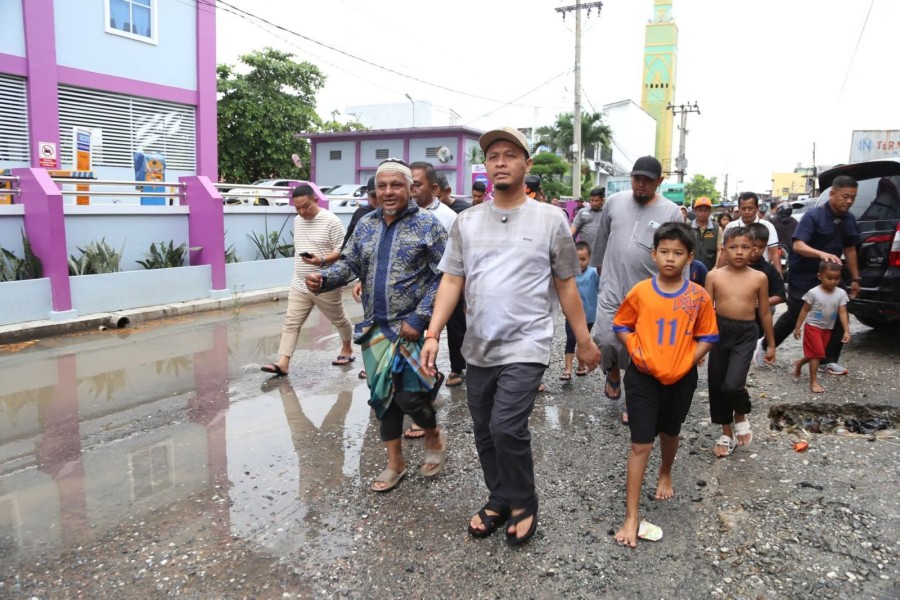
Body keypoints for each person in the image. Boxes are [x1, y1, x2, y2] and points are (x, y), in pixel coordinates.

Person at [421, 126, 600, 545]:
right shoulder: (466, 221)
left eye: (509, 155)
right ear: (486, 167)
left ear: (526, 164)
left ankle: (523, 501)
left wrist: (584, 339)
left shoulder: (552, 219)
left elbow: (566, 283)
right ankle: (499, 495)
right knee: (483, 429)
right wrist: (432, 333)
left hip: (528, 341)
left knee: (506, 426)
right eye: (493, 156)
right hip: (480, 344)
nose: (500, 162)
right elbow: (451, 280)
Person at [306, 159, 448, 493]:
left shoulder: (429, 225)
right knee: (382, 398)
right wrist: (323, 279)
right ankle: (395, 463)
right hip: (376, 330)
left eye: (396, 185)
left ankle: (432, 433)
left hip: (411, 328)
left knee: (411, 400)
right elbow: (350, 264)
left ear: (410, 188)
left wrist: (419, 318)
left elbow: (447, 276)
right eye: (381, 186)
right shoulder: (366, 224)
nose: (388, 192)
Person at [612, 222, 718, 547]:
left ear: (689, 257)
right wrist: (634, 350)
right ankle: (632, 516)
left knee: (670, 432)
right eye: (665, 252)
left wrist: (688, 360)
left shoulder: (697, 297)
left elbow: (708, 336)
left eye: (678, 253)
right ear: (653, 254)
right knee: (639, 443)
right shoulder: (641, 291)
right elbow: (622, 325)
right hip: (643, 377)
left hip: (681, 379)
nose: (670, 259)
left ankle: (666, 471)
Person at [590, 155, 683, 424]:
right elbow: (603, 237)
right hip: (612, 285)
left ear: (660, 182)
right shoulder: (614, 202)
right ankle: (613, 370)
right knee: (605, 338)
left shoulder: (671, 212)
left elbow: (680, 252)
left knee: (641, 349)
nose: (640, 185)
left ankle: (634, 397)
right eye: (636, 178)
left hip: (649, 293)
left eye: (647, 180)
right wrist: (598, 268)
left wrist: (679, 292)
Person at [755, 176, 861, 374]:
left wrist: (856, 278)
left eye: (853, 197)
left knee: (840, 312)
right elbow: (798, 245)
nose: (849, 201)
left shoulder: (849, 220)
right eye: (845, 196)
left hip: (831, 277)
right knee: (796, 313)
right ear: (832, 194)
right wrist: (821, 253)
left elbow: (850, 250)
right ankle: (765, 346)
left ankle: (827, 361)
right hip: (804, 275)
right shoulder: (813, 216)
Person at [260, 185, 355, 377]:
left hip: (325, 283)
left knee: (338, 319)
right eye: (297, 208)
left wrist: (321, 261)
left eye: (305, 207)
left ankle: (347, 348)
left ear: (316, 201)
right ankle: (283, 362)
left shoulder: (331, 221)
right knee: (291, 322)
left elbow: (342, 251)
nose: (302, 212)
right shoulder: (297, 221)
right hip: (299, 283)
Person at [705, 226, 776, 458]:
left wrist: (772, 344)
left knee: (733, 384)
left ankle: (741, 414)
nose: (739, 252)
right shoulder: (714, 276)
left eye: (745, 247)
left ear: (754, 250)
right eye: (733, 247)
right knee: (716, 384)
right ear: (724, 248)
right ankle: (726, 433)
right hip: (719, 331)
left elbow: (765, 312)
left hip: (746, 333)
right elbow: (705, 312)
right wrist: (699, 345)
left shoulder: (759, 277)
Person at [793, 262, 851, 393]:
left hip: (827, 329)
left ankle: (800, 362)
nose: (833, 282)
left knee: (817, 354)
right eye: (829, 278)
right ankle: (813, 382)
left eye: (836, 278)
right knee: (817, 354)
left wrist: (846, 330)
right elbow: (804, 310)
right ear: (820, 276)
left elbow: (842, 312)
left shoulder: (841, 293)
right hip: (813, 327)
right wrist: (797, 327)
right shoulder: (813, 293)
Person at [560, 241, 600, 380]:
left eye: (583, 259)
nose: (580, 263)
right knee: (571, 339)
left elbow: (602, 286)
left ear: (590, 258)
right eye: (577, 259)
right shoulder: (570, 274)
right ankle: (568, 369)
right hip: (571, 316)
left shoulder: (594, 273)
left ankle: (581, 365)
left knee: (584, 339)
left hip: (589, 316)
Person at [719, 192, 781, 275]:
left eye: (750, 208)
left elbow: (774, 253)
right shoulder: (731, 226)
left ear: (757, 208)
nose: (747, 212)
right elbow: (724, 253)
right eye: (743, 208)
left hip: (761, 270)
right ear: (739, 209)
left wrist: (779, 275)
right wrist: (718, 273)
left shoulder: (768, 226)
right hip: (735, 272)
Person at [746, 223, 786, 339]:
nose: (757, 250)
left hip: (758, 322)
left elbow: (780, 295)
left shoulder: (768, 269)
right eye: (753, 246)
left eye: (761, 247)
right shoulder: (735, 266)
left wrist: (761, 302)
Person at [410, 162, 457, 232]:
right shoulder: (398, 213)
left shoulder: (449, 217)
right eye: (408, 184)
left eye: (417, 185)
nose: (411, 189)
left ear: (433, 188)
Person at [342, 176, 379, 251]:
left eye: (380, 195)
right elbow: (348, 241)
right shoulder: (360, 213)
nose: (378, 200)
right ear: (367, 195)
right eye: (374, 196)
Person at [690, 196, 721, 271]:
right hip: (690, 267)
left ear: (710, 211)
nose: (703, 213)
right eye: (700, 210)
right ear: (695, 211)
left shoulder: (717, 228)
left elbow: (719, 249)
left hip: (710, 268)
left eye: (706, 210)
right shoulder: (688, 227)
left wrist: (716, 266)